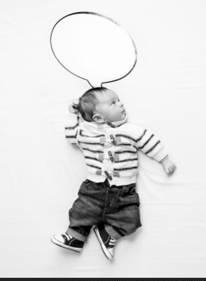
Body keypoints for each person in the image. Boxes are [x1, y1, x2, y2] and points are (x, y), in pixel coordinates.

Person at [51, 87, 176, 260]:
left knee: (131, 218)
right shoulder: (85, 133)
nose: (121, 103)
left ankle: (108, 234)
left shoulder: (130, 130)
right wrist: (75, 114)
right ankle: (75, 238)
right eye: (113, 102)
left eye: (118, 100)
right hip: (94, 187)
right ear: (98, 117)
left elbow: (149, 141)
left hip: (124, 189)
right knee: (82, 211)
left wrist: (164, 159)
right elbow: (71, 136)